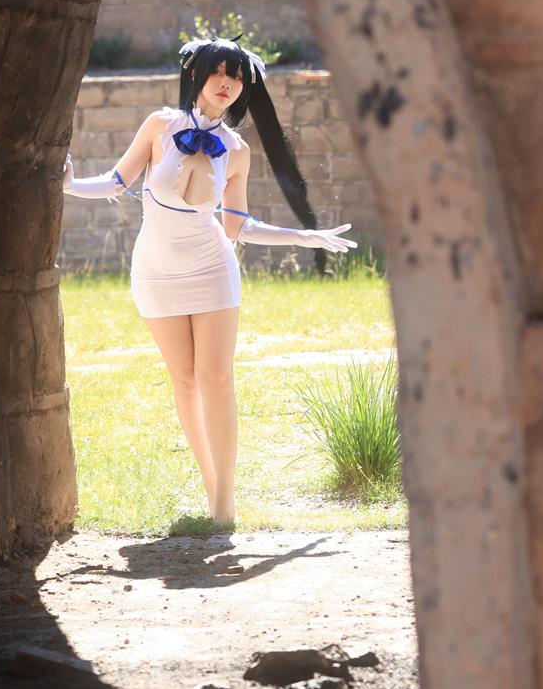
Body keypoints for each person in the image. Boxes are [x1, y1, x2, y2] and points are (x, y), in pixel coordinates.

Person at [63, 38, 355, 529]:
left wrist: (302, 236)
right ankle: (209, 481)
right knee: (184, 380)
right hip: (156, 272)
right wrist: (71, 184)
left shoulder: (237, 151)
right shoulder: (160, 125)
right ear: (196, 75)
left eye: (236, 76)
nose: (226, 83)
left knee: (215, 377)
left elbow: (237, 226)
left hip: (212, 268)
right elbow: (116, 181)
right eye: (218, 72)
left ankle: (225, 500)